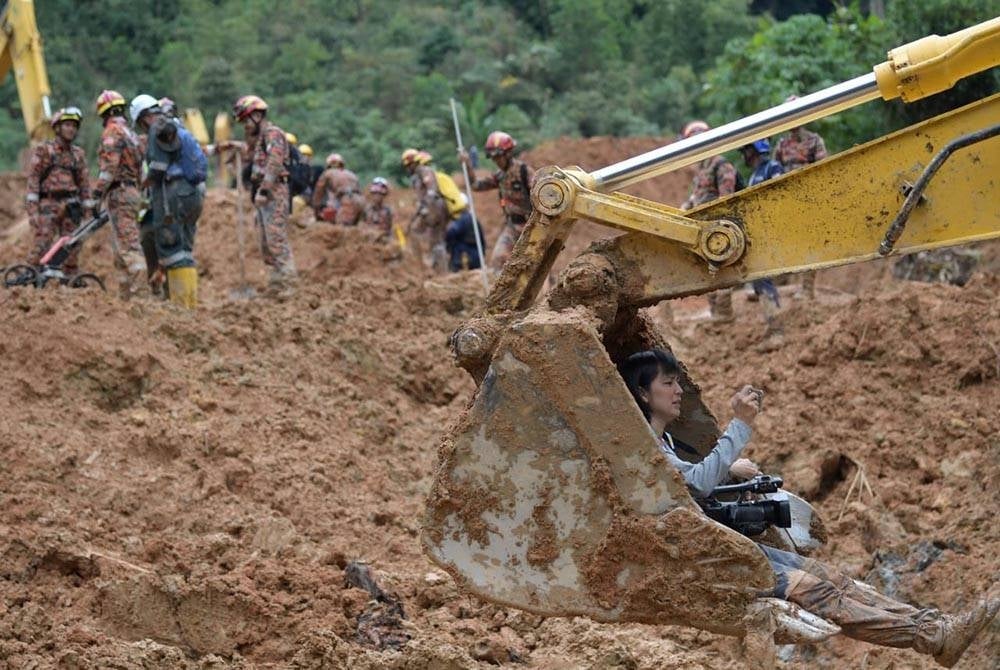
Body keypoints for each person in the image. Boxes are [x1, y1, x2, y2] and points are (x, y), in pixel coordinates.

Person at [620, 349, 999, 667]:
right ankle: (932, 637)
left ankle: (936, 629)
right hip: (706, 561)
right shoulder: (647, 448)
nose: (678, 391)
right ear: (642, 393)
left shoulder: (663, 442)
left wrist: (729, 470)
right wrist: (740, 426)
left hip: (720, 545)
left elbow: (687, 481)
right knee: (821, 594)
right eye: (667, 383)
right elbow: (697, 483)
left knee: (834, 580)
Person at [130, 93, 207, 308]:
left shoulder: (157, 128)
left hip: (174, 193)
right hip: (194, 193)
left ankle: (180, 307)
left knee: (172, 249)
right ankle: (189, 306)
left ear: (144, 117)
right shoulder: (176, 126)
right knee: (184, 250)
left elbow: (158, 168)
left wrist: (142, 184)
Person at [232, 94, 297, 291]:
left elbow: (275, 162)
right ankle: (277, 284)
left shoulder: (273, 133)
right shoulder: (260, 139)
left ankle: (289, 284)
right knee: (266, 244)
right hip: (264, 192)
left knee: (276, 239)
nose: (245, 126)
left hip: (274, 191)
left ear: (257, 116)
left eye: (246, 120)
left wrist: (265, 190)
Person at [679, 120, 738, 322]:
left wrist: (721, 224)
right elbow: (696, 196)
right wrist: (683, 209)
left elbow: (726, 199)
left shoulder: (721, 165)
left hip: (718, 226)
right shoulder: (702, 169)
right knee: (709, 270)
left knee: (722, 268)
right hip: (703, 226)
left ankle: (725, 313)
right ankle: (715, 313)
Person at [92, 90, 147, 299]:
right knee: (121, 249)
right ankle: (125, 300)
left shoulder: (112, 132)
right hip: (132, 191)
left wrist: (97, 196)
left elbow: (109, 167)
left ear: (103, 113)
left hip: (120, 192)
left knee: (129, 248)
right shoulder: (132, 135)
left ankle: (140, 299)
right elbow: (141, 169)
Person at [24, 107, 91, 278]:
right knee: (42, 243)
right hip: (48, 204)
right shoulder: (44, 150)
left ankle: (69, 279)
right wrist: (33, 211)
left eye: (74, 126)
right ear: (57, 128)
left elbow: (84, 185)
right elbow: (33, 180)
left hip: (71, 206)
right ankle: (31, 277)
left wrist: (88, 211)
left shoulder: (78, 154)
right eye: (67, 125)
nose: (71, 129)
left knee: (72, 245)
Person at [775, 95, 829, 300]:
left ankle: (807, 289)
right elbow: (775, 169)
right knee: (784, 242)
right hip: (787, 200)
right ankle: (776, 288)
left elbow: (823, 170)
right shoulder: (782, 144)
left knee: (809, 242)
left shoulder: (814, 141)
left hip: (809, 199)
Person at [459, 130, 534, 271]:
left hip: (531, 226)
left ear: (508, 154)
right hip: (512, 226)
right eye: (493, 158)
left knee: (534, 262)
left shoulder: (524, 171)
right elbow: (476, 185)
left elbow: (540, 194)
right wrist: (467, 165)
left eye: (498, 157)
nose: (496, 161)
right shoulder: (499, 176)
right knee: (498, 260)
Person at [739, 139, 785, 347]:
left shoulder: (772, 168)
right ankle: (772, 327)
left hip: (771, 230)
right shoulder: (754, 175)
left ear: (755, 150)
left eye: (746, 151)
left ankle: (777, 332)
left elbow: (780, 194)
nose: (744, 156)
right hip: (758, 232)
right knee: (758, 279)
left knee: (763, 278)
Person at [401, 148, 449, 272]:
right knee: (434, 240)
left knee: (427, 236)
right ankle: (436, 268)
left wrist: (425, 210)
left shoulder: (424, 171)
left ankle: (426, 267)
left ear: (413, 163)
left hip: (435, 208)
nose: (408, 169)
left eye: (408, 165)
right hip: (432, 208)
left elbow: (431, 191)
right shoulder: (418, 175)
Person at [311, 153, 364, 225]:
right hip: (361, 201)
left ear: (329, 165)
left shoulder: (327, 173)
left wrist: (316, 212)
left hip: (348, 201)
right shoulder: (351, 174)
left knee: (341, 228)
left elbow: (318, 193)